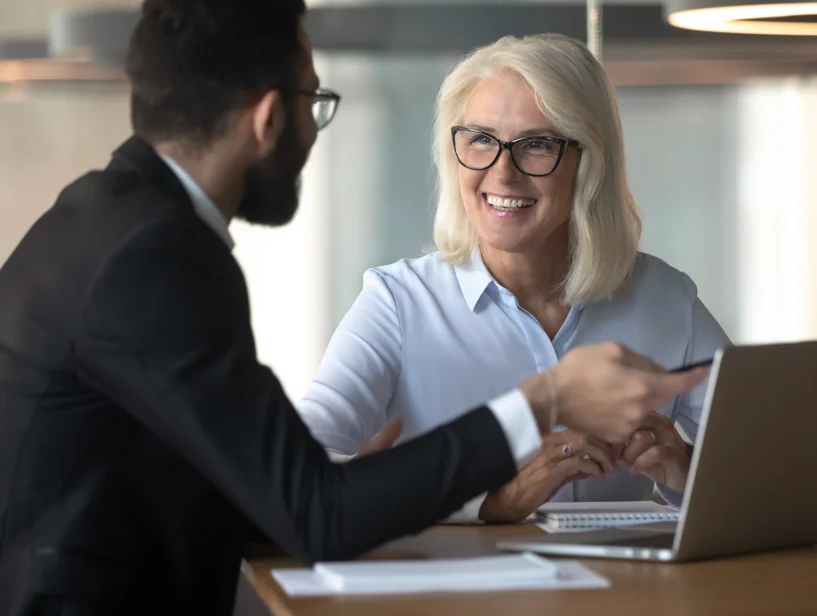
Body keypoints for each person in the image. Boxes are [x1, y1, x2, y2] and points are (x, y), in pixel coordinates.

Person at [0, 0, 710, 614]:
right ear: (269, 118)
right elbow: (312, 509)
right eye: (314, 101)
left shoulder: (103, 220)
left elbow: (273, 491)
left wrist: (364, 483)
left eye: (536, 144)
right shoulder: (155, 256)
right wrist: (545, 402)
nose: (315, 127)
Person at [297, 33, 732, 524]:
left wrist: (689, 473)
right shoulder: (398, 305)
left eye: (537, 144)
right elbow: (300, 480)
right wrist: (489, 502)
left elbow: (774, 465)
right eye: (481, 139)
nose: (502, 174)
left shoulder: (667, 300)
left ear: (588, 162)